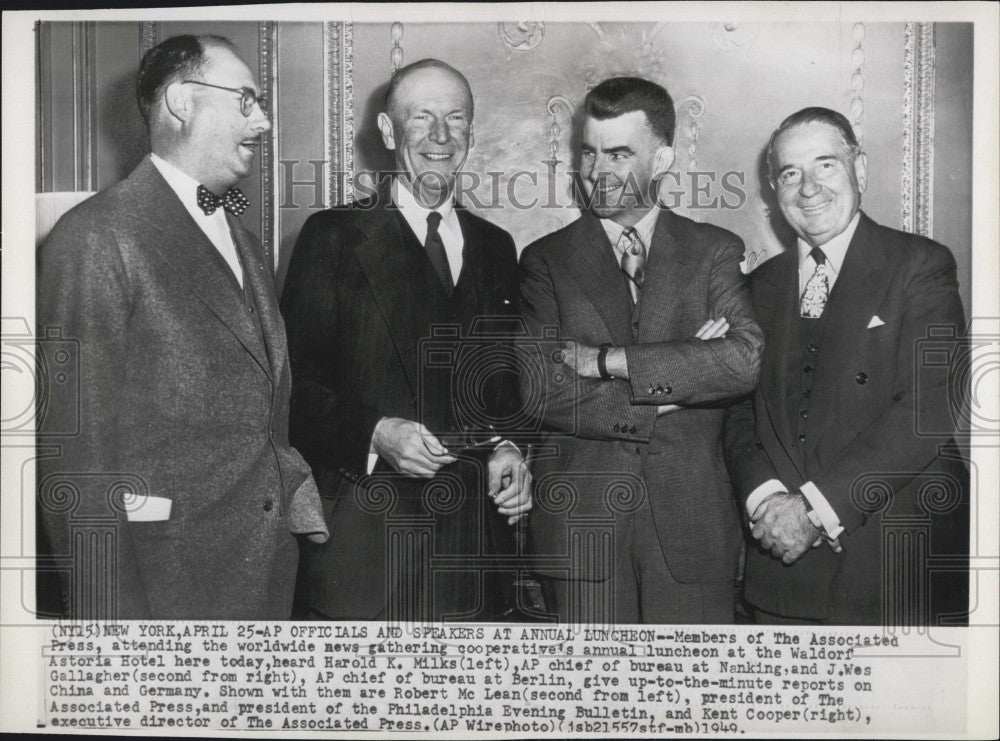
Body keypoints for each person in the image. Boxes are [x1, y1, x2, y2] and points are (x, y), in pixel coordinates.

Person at [36, 34, 327, 619]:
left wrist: (289, 479)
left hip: (262, 579)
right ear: (181, 103)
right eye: (246, 100)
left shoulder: (245, 242)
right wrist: (110, 635)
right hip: (158, 592)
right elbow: (74, 460)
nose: (264, 121)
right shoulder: (95, 236)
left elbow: (252, 406)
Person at [282, 58, 532, 621]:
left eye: (456, 118)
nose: (440, 136)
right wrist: (377, 432)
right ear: (390, 132)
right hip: (366, 548)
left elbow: (503, 389)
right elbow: (293, 391)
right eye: (422, 119)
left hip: (473, 552)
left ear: (471, 132)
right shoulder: (332, 237)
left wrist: (509, 447)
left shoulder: (497, 247)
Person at [518, 77, 763, 623]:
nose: (597, 172)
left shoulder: (714, 251)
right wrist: (680, 381)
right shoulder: (545, 260)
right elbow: (543, 390)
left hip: (693, 535)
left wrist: (608, 362)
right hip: (582, 537)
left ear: (664, 158)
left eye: (620, 154)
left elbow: (743, 360)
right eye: (589, 153)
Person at [725, 107, 969, 625]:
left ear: (860, 169)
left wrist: (814, 510)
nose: (808, 188)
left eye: (825, 165)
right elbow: (738, 413)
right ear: (774, 189)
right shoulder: (757, 287)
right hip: (782, 572)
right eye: (791, 173)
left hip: (891, 564)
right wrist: (768, 501)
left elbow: (930, 407)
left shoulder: (921, 266)